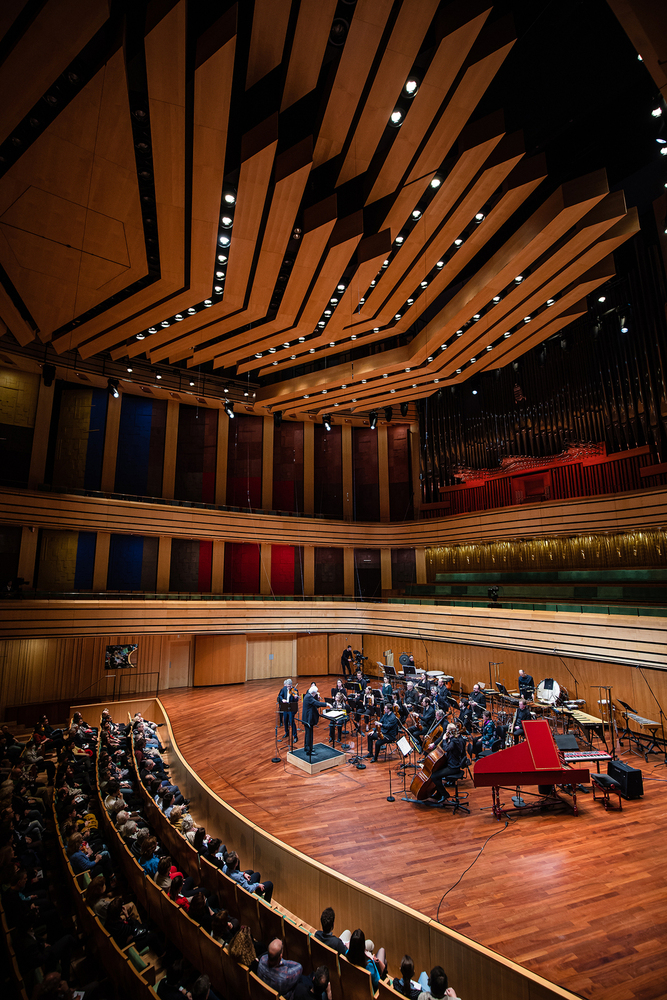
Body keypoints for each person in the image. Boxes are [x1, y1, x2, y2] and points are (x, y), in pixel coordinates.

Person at [431, 724, 468, 802]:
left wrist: (444, 740)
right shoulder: (457, 738)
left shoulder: (454, 741)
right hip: (453, 763)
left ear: (450, 731)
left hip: (453, 767)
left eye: (447, 730)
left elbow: (446, 749)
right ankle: (439, 793)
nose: (446, 731)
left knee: (434, 776)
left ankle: (444, 794)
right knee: (436, 771)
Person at [302, 683, 328, 756]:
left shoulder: (308, 695)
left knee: (307, 734)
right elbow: (316, 703)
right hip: (308, 720)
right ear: (313, 692)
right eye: (315, 693)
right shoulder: (309, 697)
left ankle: (307, 747)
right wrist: (326, 704)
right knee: (309, 735)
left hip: (306, 719)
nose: (315, 694)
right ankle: (309, 751)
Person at [278, 679, 299, 743]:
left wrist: (296, 697)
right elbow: (280, 696)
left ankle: (295, 736)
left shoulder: (295, 690)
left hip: (291, 709)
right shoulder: (283, 689)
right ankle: (286, 732)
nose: (289, 688)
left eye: (290, 686)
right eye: (287, 686)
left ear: (291, 685)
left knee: (291, 721)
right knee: (285, 720)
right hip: (285, 707)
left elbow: (296, 701)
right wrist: (282, 700)